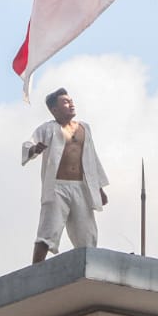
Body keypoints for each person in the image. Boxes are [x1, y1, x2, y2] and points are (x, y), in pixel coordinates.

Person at [22, 88, 109, 263]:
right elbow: (29, 144)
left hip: (81, 188)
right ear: (54, 110)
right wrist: (34, 149)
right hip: (57, 188)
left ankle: (89, 270)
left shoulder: (85, 128)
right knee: (48, 230)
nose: (71, 104)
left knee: (87, 234)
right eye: (65, 102)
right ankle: (35, 270)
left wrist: (99, 188)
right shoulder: (48, 129)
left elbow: (92, 159)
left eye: (71, 100)